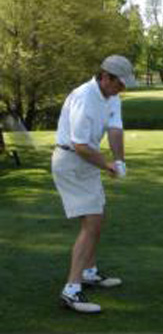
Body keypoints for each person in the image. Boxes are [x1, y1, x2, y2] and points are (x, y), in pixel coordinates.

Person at [51, 55, 136, 314]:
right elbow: (80, 145)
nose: (122, 89)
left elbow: (115, 129)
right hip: (70, 161)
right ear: (105, 77)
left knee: (96, 219)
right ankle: (71, 291)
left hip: (85, 162)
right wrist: (107, 165)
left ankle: (88, 272)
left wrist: (119, 159)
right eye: (119, 84)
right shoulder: (84, 97)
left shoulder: (112, 97)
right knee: (92, 224)